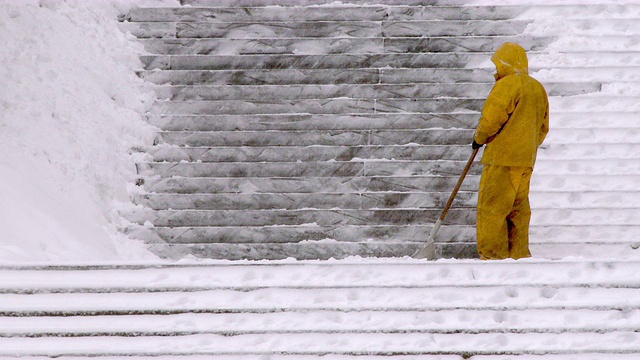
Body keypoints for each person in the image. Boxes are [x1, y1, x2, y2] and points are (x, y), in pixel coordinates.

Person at [472, 42, 549, 260]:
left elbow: (491, 119)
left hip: (502, 158)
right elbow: (543, 128)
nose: (496, 70)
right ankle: (518, 256)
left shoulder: (507, 85)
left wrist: (480, 138)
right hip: (525, 160)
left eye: (498, 64)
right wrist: (526, 145)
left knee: (492, 210)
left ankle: (493, 258)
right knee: (518, 211)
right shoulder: (537, 88)